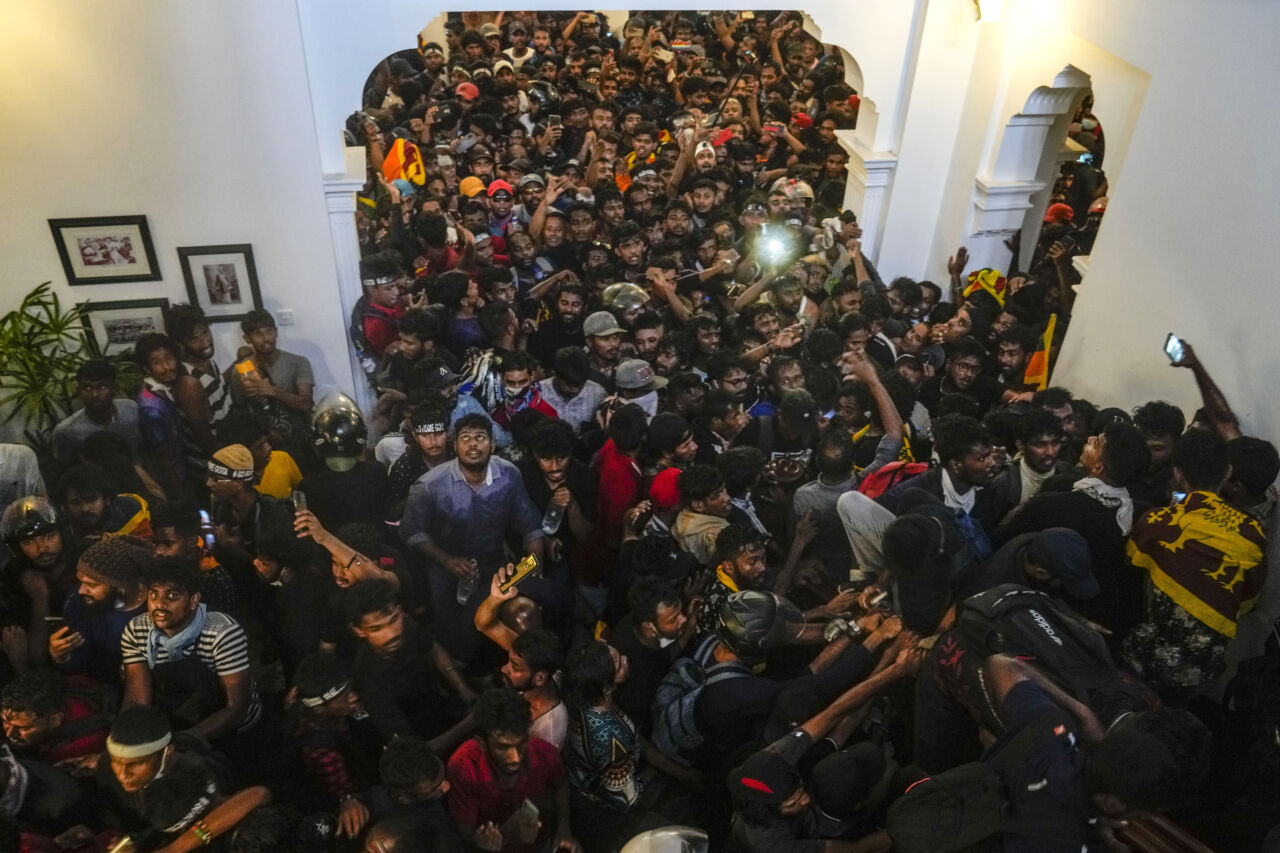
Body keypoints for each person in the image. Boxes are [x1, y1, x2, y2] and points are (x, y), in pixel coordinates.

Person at [1122, 429, 1268, 698]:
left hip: (1143, 659)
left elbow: (1130, 576)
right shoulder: (1253, 532)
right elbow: (1247, 602)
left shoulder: (1155, 522)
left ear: (1178, 474)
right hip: (1205, 669)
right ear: (1226, 473)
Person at [400, 414, 545, 665]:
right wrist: (447, 560)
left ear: (492, 444)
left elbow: (531, 527)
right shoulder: (429, 485)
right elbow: (411, 533)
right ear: (454, 446)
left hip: (495, 572)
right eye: (465, 438)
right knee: (458, 647)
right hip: (446, 578)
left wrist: (536, 562)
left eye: (480, 438)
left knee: (496, 639)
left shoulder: (509, 475)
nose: (473, 445)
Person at [119, 557, 263, 747]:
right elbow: (138, 699)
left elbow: (234, 708)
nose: (160, 604)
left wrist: (176, 743)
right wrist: (124, 741)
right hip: (179, 718)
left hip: (230, 727)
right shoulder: (136, 630)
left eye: (172, 596)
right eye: (154, 595)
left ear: (194, 600)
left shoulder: (222, 632)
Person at [445, 687, 581, 853]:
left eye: (522, 742)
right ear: (481, 742)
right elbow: (466, 836)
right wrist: (504, 835)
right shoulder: (463, 768)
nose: (515, 758)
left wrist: (563, 828)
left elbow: (560, 784)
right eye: (503, 747)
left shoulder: (544, 752)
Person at [226, 309, 315, 446]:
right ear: (247, 339)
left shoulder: (298, 362)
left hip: (298, 442)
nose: (265, 338)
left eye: (269, 331)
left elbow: (305, 404)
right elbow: (240, 414)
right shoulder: (241, 370)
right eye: (258, 334)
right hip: (262, 447)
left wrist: (273, 391)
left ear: (276, 332)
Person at [52, 359, 141, 463]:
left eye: (102, 387)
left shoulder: (130, 409)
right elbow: (66, 471)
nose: (95, 394)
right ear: (78, 391)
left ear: (115, 388)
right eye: (87, 388)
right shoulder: (66, 431)